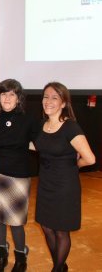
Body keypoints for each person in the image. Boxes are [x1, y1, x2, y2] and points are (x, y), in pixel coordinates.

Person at [34, 82, 95, 272]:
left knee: (60, 230)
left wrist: (74, 165)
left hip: (64, 185)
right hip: (45, 183)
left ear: (63, 103)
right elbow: (35, 146)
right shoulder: (41, 125)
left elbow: (90, 158)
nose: (48, 101)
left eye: (54, 97)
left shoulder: (70, 127)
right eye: (45, 96)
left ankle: (57, 268)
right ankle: (61, 266)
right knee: (46, 226)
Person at [0, 79, 39, 272]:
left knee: (15, 221)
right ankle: (2, 256)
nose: (7, 98)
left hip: (19, 175)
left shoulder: (29, 119)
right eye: (3, 94)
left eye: (12, 94)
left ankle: (21, 258)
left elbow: (41, 143)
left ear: (18, 98)